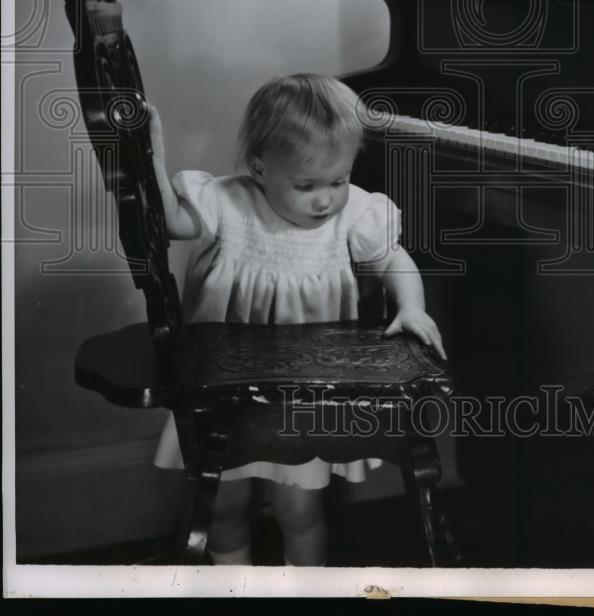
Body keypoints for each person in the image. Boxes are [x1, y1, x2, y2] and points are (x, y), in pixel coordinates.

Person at [149, 73, 445, 566]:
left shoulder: (351, 218)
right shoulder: (227, 203)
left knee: (300, 511)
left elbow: (395, 260)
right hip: (230, 395)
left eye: (339, 181)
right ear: (260, 169)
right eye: (306, 186)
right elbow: (169, 223)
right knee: (223, 507)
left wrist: (411, 306)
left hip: (306, 398)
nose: (325, 199)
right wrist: (151, 164)